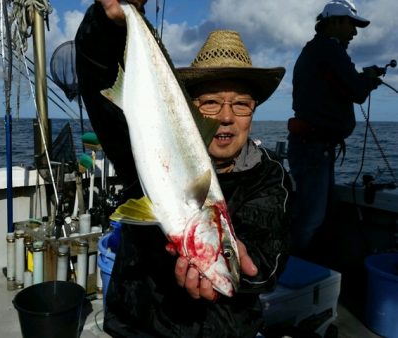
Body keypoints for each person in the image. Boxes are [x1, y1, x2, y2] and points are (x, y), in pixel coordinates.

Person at [75, 1, 291, 337]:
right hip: (141, 327)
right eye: (210, 102)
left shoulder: (270, 177)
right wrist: (108, 21)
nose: (225, 116)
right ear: (190, 108)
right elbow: (96, 71)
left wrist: (242, 272)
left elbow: (264, 258)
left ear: (253, 112)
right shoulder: (143, 151)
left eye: (241, 104)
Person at [287, 0, 383, 259]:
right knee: (311, 220)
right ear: (335, 22)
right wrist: (369, 78)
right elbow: (357, 90)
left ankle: (309, 273)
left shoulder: (318, 50)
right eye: (351, 25)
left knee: (318, 215)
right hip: (314, 150)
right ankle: (293, 279)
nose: (354, 33)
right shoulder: (329, 49)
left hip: (314, 148)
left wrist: (363, 79)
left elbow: (345, 84)